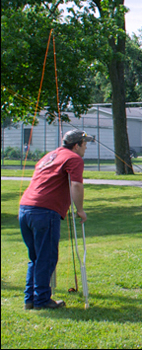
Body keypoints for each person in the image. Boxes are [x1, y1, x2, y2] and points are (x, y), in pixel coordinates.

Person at [19, 129, 94, 310]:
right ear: (76, 145)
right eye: (85, 144)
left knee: (35, 257)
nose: (86, 147)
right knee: (46, 257)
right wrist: (80, 210)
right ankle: (42, 300)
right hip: (45, 211)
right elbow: (76, 184)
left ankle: (30, 299)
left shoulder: (50, 156)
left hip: (25, 208)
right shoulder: (74, 158)